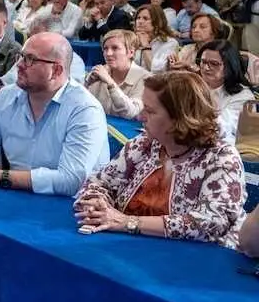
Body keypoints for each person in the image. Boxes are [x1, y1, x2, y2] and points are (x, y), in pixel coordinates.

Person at [74, 72, 246, 247]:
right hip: (131, 249)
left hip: (197, 262)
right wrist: (97, 206)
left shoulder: (221, 158)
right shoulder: (143, 145)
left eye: (150, 111)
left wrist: (128, 222)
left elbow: (212, 222)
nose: (141, 116)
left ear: (180, 118)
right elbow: (98, 183)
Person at [0, 33, 110, 196]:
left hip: (74, 209)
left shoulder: (85, 109)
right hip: (17, 197)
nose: (19, 65)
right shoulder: (6, 96)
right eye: (20, 56)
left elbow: (71, 180)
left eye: (30, 59)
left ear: (56, 70)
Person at [196, 40, 252, 145]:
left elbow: (221, 128)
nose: (206, 68)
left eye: (214, 63)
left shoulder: (243, 97)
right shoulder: (194, 86)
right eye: (203, 62)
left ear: (230, 66)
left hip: (221, 147)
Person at [85, 30, 150, 118]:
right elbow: (82, 106)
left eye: (115, 48)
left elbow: (131, 113)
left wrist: (111, 84)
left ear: (131, 52)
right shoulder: (99, 73)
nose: (108, 53)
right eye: (105, 48)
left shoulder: (145, 78)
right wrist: (87, 84)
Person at [132, 4, 180, 72]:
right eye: (138, 18)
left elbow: (157, 70)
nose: (139, 22)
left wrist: (146, 46)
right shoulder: (132, 40)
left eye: (145, 18)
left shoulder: (170, 43)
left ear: (157, 22)